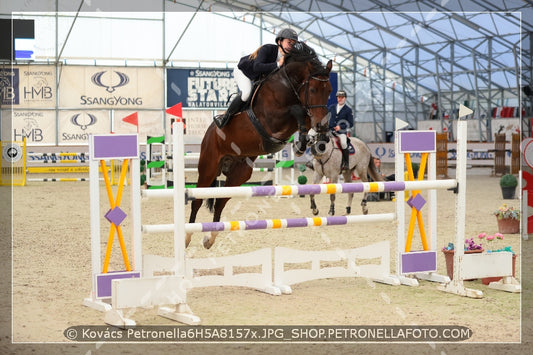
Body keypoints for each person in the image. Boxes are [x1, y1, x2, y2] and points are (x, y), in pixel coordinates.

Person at [213, 28, 299, 128]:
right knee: (246, 93)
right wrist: (278, 64)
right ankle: (224, 117)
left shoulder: (289, 58)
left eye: (293, 44)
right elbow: (257, 67)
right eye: (289, 42)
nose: (291, 46)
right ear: (280, 41)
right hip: (244, 71)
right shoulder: (268, 49)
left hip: (257, 78)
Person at [328, 90, 354, 171]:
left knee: (343, 143)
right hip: (330, 130)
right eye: (339, 97)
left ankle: (346, 163)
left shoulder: (348, 110)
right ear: (337, 98)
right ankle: (313, 161)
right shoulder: (331, 107)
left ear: (345, 98)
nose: (340, 99)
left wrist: (341, 127)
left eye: (342, 97)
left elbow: (351, 123)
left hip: (341, 132)